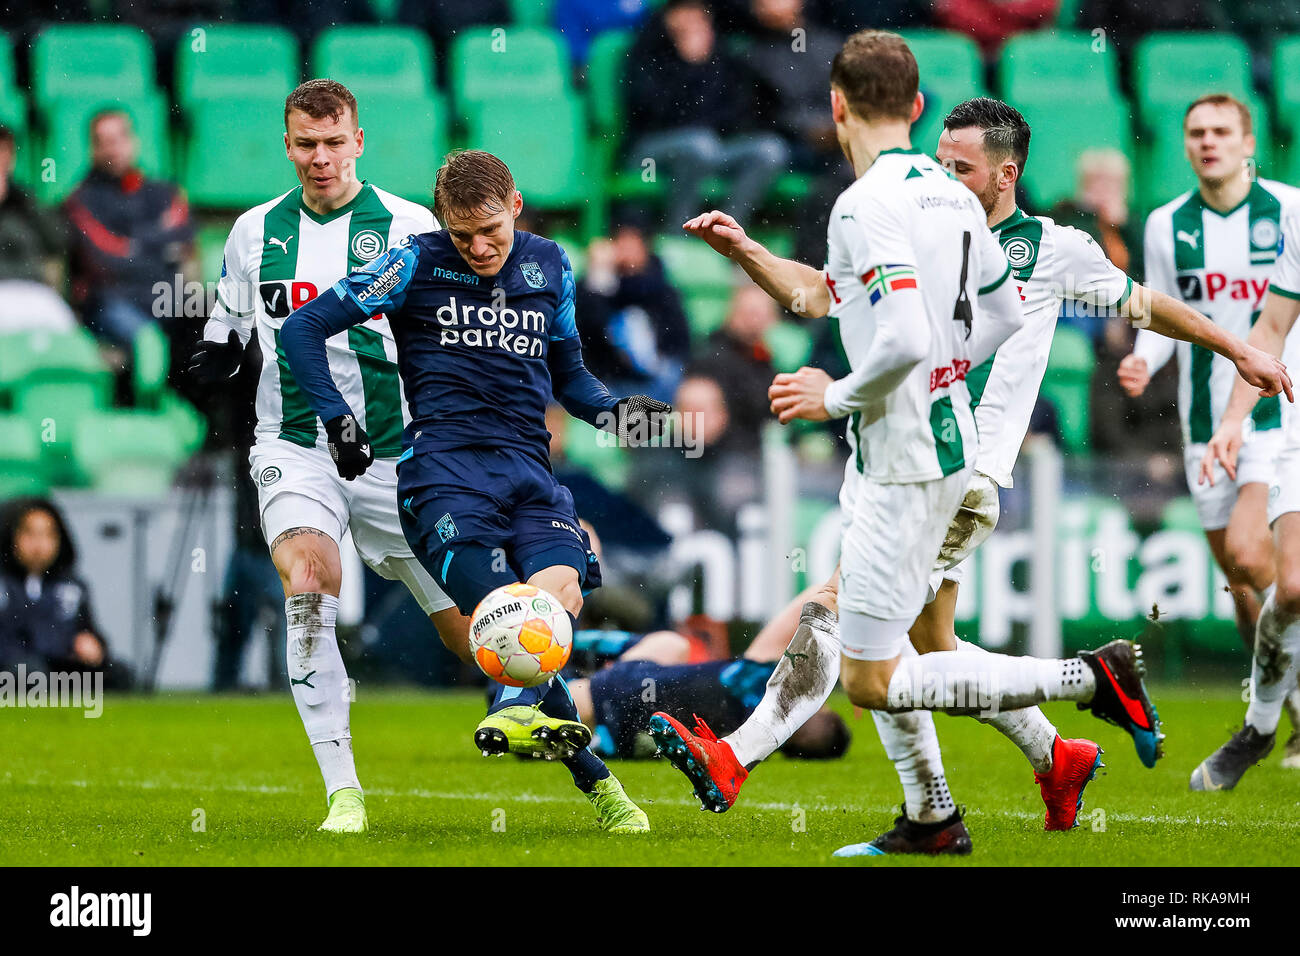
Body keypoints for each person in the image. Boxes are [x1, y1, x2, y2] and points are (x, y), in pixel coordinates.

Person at [646, 32, 1289, 858]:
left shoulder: (1051, 248)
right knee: (927, 646)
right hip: (900, 446)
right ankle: (1005, 779)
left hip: (958, 468)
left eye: (964, 167)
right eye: (940, 158)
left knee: (840, 620)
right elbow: (820, 295)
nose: (948, 176)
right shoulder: (927, 220)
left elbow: (1144, 305)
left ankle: (742, 758)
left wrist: (1234, 347)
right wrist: (748, 253)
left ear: (1006, 173)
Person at [280, 148, 672, 834]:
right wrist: (338, 421)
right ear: (443, 224)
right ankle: (592, 780)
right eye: (463, 235)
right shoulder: (412, 263)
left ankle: (514, 715)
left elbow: (570, 378)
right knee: (505, 613)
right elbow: (303, 326)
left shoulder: (549, 264)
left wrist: (618, 413)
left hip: (529, 475)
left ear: (516, 205)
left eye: (491, 230)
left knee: (560, 592)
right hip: (445, 479)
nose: (479, 247)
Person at [185, 79, 469, 835]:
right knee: (310, 582)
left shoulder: (409, 227)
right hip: (297, 446)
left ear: (359, 142)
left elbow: (450, 334)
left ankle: (588, 761)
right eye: (305, 144)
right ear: (287, 145)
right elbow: (228, 329)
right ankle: (344, 792)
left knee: (475, 634)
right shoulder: (254, 232)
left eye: (333, 142)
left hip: (397, 457)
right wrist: (204, 364)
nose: (320, 158)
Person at [1120, 94, 1300, 757]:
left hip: (1280, 414)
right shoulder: (1168, 224)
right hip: (1207, 421)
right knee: (1241, 581)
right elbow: (1165, 320)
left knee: (1257, 557)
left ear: (1249, 141)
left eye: (1222, 131)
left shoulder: (1290, 208)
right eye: (1196, 131)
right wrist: (1143, 359)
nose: (1208, 141)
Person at [1192, 202, 1300, 786]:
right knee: (1293, 586)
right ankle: (1261, 726)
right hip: (1296, 427)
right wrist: (1235, 417)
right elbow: (1272, 326)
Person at [624, 0, 789, 229]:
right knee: (699, 145)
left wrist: (703, 65)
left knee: (769, 150)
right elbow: (651, 112)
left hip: (713, 147)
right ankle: (678, 234)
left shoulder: (720, 56)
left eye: (699, 14)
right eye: (684, 12)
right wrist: (689, 66)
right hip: (652, 151)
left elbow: (735, 113)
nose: (692, 21)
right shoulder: (648, 50)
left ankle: (726, 233)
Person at [63, 109, 195, 350]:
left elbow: (185, 248)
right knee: (148, 343)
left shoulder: (166, 193)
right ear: (93, 149)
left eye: (120, 138)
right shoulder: (80, 201)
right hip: (112, 301)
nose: (114, 149)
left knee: (229, 329)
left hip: (168, 297)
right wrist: (158, 243)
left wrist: (133, 246)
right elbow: (105, 262)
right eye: (104, 142)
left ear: (134, 141)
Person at [0, 497, 124, 686]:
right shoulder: (4, 584)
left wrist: (93, 644)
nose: (39, 544)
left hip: (62, 668)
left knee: (119, 675)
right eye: (30, 533)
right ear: (12, 536)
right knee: (29, 673)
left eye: (48, 534)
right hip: (14, 670)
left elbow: (87, 629)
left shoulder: (72, 587)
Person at [576, 216, 691, 403]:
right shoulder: (596, 284)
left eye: (632, 242)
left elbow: (679, 340)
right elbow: (592, 325)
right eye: (620, 242)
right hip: (611, 379)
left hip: (657, 379)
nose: (626, 250)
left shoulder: (661, 284)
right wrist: (600, 276)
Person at [0, 124, 73, 334]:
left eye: (5, 151)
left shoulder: (25, 200)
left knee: (64, 333)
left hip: (34, 293)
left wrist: (24, 200)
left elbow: (59, 240)